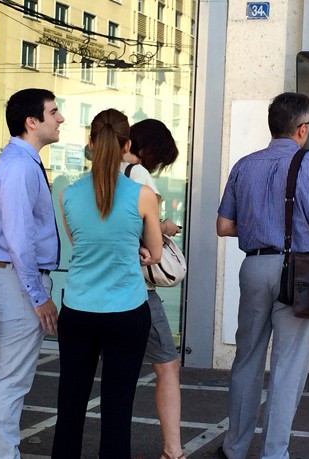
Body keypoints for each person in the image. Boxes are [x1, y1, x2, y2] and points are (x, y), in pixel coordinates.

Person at [216, 92, 309, 459]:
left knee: (247, 359)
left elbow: (224, 226)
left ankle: (235, 447)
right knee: (288, 366)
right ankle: (274, 453)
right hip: (300, 273)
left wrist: (262, 226)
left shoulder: (245, 164)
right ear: (303, 128)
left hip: (255, 267)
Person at [52, 109, 162, 458]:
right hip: (126, 311)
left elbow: (77, 243)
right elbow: (156, 253)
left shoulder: (68, 194)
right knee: (117, 410)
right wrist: (139, 250)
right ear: (127, 145)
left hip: (79, 309)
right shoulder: (142, 194)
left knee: (70, 405)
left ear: (90, 143)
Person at [0, 88, 63, 458]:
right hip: (15, 281)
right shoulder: (18, 167)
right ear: (33, 122)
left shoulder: (21, 162)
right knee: (10, 379)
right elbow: (18, 237)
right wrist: (38, 294)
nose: (60, 118)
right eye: (53, 111)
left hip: (10, 278)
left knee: (2, 374)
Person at [123, 119, 184, 459]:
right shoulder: (139, 175)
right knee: (168, 365)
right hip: (138, 288)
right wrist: (165, 226)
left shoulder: (98, 174)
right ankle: (173, 451)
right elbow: (148, 233)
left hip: (99, 286)